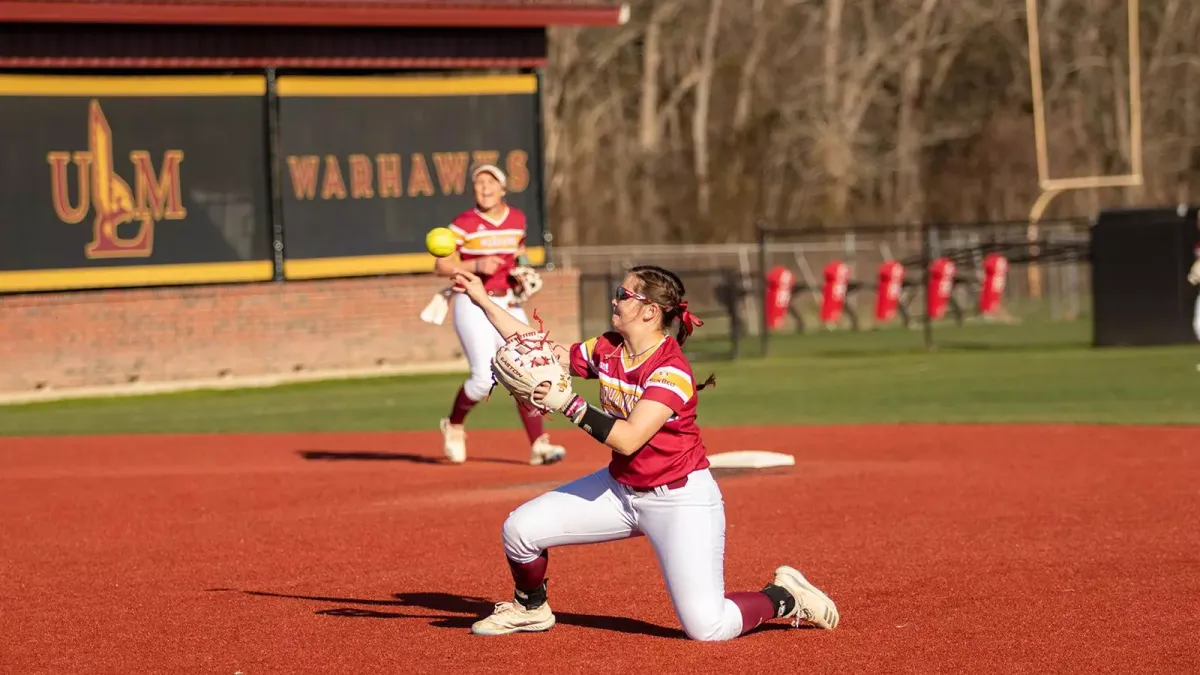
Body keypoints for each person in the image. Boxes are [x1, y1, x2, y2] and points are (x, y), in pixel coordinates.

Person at [447, 263, 840, 641]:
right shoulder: (609, 347)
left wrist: (569, 403)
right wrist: (482, 300)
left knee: (708, 628)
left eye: (624, 294)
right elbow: (542, 349)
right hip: (621, 491)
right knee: (520, 530)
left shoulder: (670, 370)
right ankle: (530, 608)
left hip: (679, 499)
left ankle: (783, 596)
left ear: (650, 311)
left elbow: (630, 438)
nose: (615, 300)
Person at [431, 164, 566, 466]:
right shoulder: (463, 224)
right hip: (472, 300)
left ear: (503, 188)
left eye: (491, 182)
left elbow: (519, 251)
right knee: (483, 380)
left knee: (531, 371)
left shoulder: (517, 219)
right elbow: (440, 267)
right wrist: (474, 267)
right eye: (479, 183)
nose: (485, 188)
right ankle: (454, 425)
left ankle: (539, 444)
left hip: (508, 302)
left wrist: (523, 270)